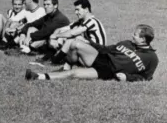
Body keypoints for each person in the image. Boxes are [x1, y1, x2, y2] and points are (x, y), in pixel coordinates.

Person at [26, 25, 158, 82]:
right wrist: (89, 42)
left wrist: (127, 77)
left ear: (143, 39)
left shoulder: (151, 58)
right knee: (75, 43)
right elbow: (106, 49)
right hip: (101, 57)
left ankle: (38, 76)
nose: (132, 36)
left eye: (135, 35)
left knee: (74, 74)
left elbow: (146, 77)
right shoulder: (127, 43)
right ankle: (67, 64)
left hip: (109, 70)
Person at [46, 0, 107, 65]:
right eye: (75, 10)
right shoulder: (81, 21)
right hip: (90, 52)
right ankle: (58, 58)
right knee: (66, 36)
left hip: (99, 55)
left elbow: (72, 33)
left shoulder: (92, 21)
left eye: (78, 10)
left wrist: (56, 36)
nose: (76, 13)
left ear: (86, 9)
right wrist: (54, 37)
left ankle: (56, 60)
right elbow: (61, 29)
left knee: (74, 38)